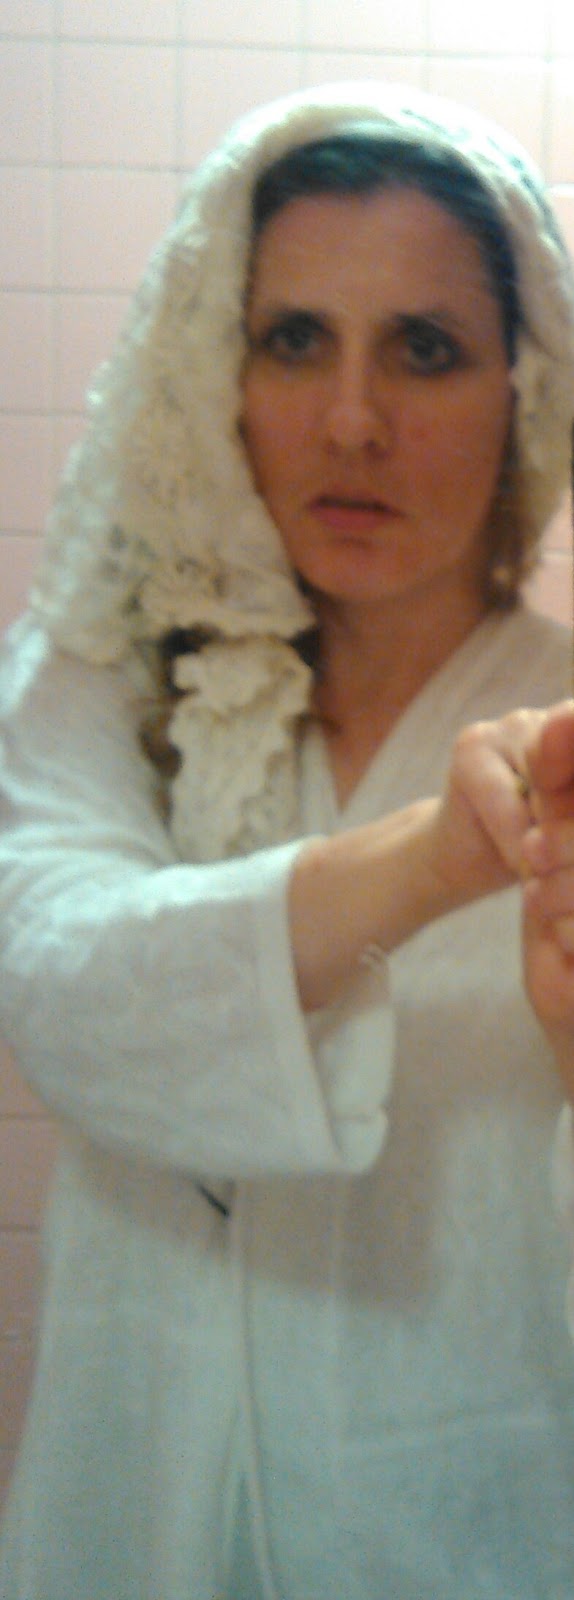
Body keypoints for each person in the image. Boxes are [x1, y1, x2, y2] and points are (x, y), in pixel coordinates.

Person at [1, 81, 574, 1600]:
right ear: (218, 372)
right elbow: (57, 989)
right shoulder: (108, 692)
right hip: (129, 1511)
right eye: (294, 339)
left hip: (469, 1526)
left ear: (521, 391)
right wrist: (431, 860)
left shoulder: (566, 739)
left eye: (426, 349)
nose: (351, 420)